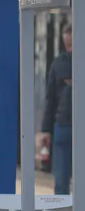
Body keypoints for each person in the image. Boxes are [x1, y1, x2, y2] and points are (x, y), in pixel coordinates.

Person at [40, 21, 73, 194]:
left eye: (72, 45)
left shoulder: (59, 63)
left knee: (62, 180)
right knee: (60, 181)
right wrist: (46, 129)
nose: (69, 49)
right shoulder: (58, 63)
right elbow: (50, 98)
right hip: (62, 125)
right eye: (67, 44)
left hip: (65, 125)